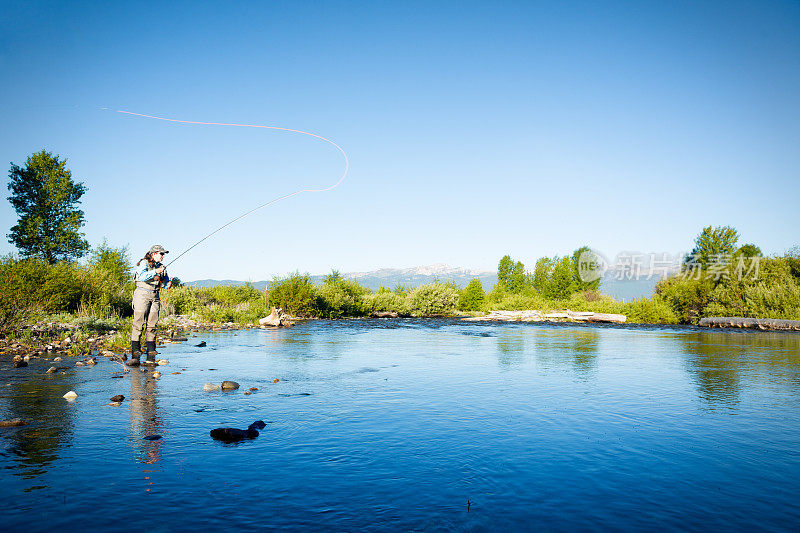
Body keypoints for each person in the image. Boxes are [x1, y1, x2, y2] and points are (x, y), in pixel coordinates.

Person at [130, 244, 172, 366]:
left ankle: (151, 349)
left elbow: (164, 282)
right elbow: (142, 277)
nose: (163, 256)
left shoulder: (162, 267)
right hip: (142, 294)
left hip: (155, 296)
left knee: (152, 323)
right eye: (161, 254)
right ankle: (136, 349)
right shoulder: (143, 263)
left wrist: (167, 284)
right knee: (138, 322)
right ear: (154, 254)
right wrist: (155, 271)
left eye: (163, 254)